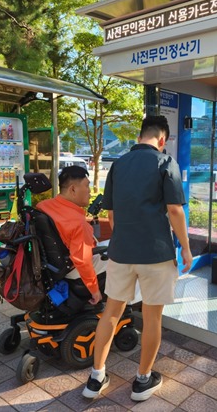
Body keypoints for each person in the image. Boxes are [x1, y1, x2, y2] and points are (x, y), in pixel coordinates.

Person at [82, 115, 192, 402]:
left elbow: (111, 215)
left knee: (111, 313)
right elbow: (175, 211)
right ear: (162, 139)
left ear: (140, 135)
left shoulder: (118, 165)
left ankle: (96, 378)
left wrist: (125, 240)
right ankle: (142, 381)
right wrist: (186, 247)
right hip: (156, 253)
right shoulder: (166, 163)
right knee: (153, 317)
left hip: (121, 254)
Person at [36, 166, 104, 306]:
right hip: (73, 268)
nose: (90, 192)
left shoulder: (43, 206)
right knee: (123, 260)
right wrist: (94, 290)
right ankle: (123, 305)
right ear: (73, 189)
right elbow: (82, 260)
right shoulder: (77, 223)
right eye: (87, 186)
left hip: (51, 266)